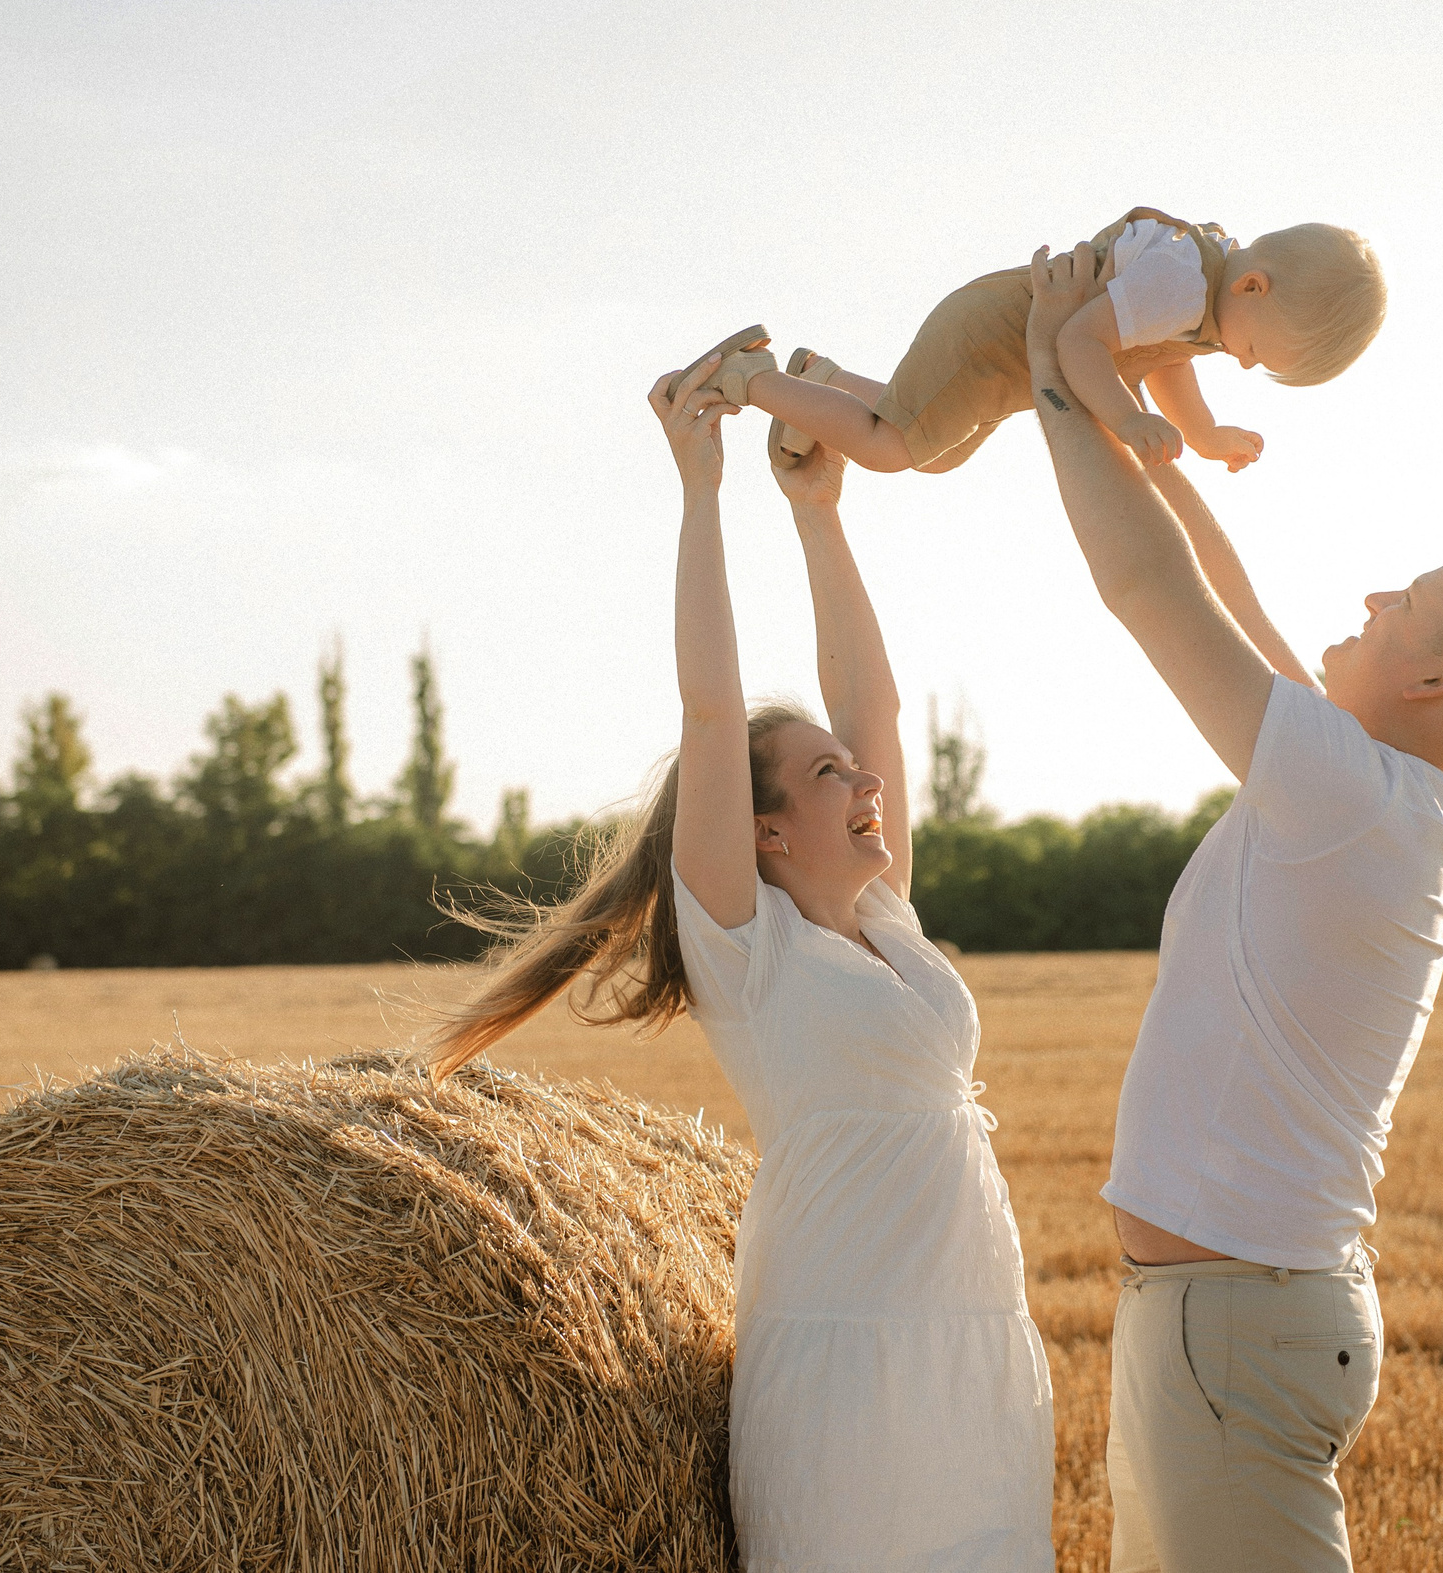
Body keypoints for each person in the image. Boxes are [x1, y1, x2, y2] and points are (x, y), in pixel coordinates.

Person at [425, 350, 1055, 1571]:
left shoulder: (887, 919)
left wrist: (819, 514)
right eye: (829, 777)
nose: (868, 784)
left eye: (854, 772)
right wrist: (700, 489)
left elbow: (874, 704)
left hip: (971, 1342)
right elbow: (711, 712)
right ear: (764, 830)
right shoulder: (747, 947)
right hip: (842, 1360)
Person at [1019, 240, 1443, 1572]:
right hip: (1214, 1315)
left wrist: (1052, 369)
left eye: (1408, 599)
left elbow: (1151, 593)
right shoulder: (1371, 786)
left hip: (1240, 1320)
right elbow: (1227, 592)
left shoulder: (1356, 798)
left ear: (1439, 672)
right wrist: (1141, 430)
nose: (1375, 593)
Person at [681, 206, 1382, 482]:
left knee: (939, 454)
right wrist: (1127, 418)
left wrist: (1203, 434)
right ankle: (753, 375)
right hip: (988, 341)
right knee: (892, 448)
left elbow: (1166, 361)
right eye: (1256, 352)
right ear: (1254, 286)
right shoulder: (1181, 277)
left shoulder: (1204, 292)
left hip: (1003, 365)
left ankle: (819, 380)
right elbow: (1080, 342)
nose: (1243, 361)